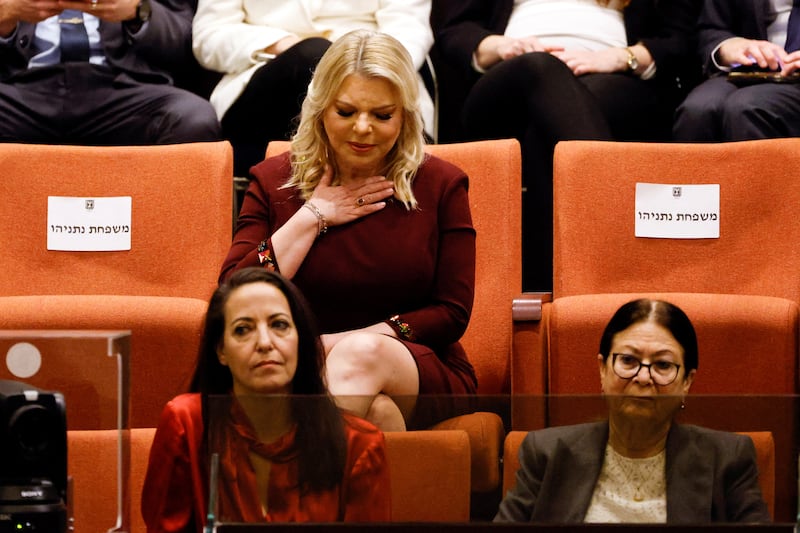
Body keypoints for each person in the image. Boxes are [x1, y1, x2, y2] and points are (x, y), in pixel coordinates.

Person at [219, 29, 477, 432]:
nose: (362, 128)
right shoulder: (273, 181)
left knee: (360, 355)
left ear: (406, 115)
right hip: (296, 372)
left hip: (416, 365)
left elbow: (451, 312)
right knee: (378, 417)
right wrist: (312, 216)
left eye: (382, 115)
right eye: (346, 112)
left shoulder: (441, 184)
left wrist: (337, 345)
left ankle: (286, 486)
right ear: (320, 108)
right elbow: (236, 292)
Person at [434, 0, 702, 291]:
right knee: (541, 67)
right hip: (508, 80)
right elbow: (456, 29)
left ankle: (546, 294)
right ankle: (617, 236)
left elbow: (680, 39)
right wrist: (502, 46)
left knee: (546, 129)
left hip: (612, 77)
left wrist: (621, 57)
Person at [141, 267, 391, 531]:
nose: (264, 342)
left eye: (279, 325)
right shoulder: (187, 423)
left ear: (300, 340)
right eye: (243, 330)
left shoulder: (360, 445)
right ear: (221, 350)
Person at [495, 298, 770, 524]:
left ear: (687, 382)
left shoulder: (728, 460)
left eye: (662, 365)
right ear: (602, 369)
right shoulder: (546, 453)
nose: (643, 377)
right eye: (628, 360)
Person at [192, 0, 435, 177]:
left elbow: (410, 30)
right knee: (311, 54)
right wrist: (284, 45)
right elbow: (209, 37)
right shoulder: (263, 251)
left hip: (373, 71)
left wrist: (357, 63)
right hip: (266, 78)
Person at [0, 0, 221, 146]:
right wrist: (5, 12)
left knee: (193, 119)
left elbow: (186, 39)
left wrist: (138, 11)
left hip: (120, 90)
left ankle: (162, 218)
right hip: (19, 88)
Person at [673, 0, 800, 141]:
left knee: (747, 107)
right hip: (748, 69)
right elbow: (712, 27)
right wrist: (728, 46)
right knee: (698, 110)